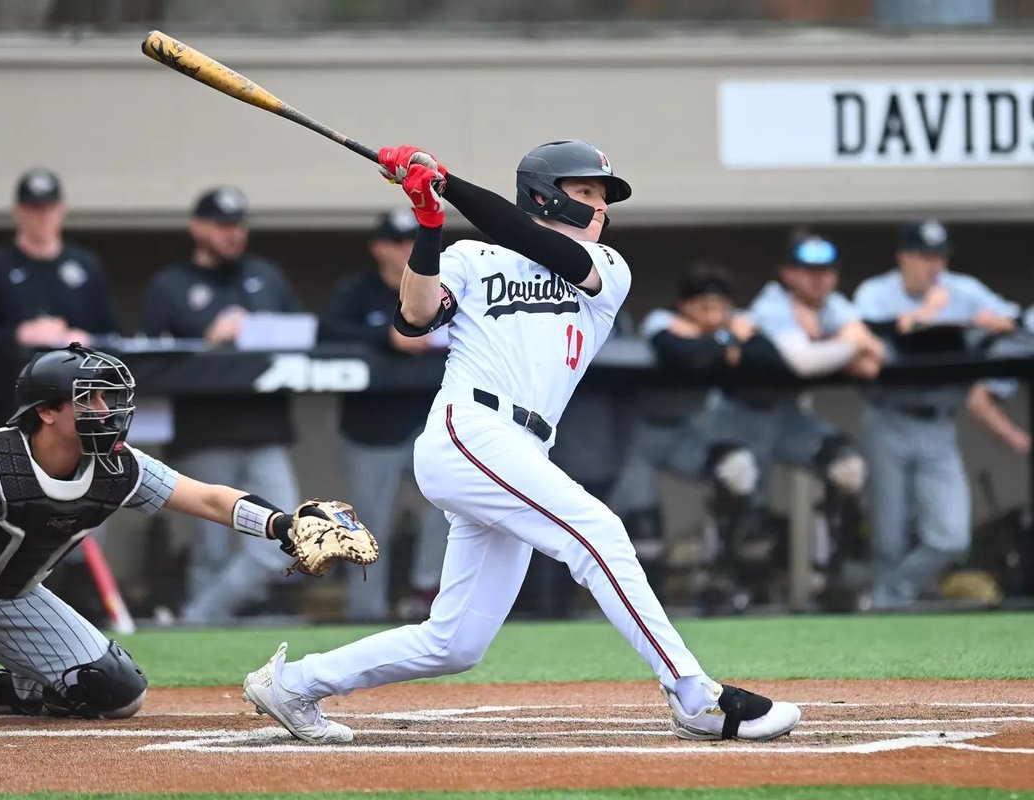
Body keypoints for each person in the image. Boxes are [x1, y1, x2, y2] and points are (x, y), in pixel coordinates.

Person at [240, 140, 800, 744]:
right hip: (470, 429)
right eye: (585, 192)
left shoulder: (607, 267)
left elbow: (534, 242)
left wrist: (447, 183)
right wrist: (429, 222)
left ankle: (293, 684)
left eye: (602, 196)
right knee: (599, 532)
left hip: (523, 448)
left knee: (455, 643)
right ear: (544, 195)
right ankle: (695, 696)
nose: (600, 206)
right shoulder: (471, 256)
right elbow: (414, 317)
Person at [0, 344, 357, 732]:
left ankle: (14, 689)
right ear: (46, 411)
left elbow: (207, 499)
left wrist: (283, 525)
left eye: (108, 397)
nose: (106, 409)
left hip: (7, 596)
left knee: (118, 692)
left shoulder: (117, 466)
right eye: (89, 399)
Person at [139, 186, 303, 623]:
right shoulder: (171, 285)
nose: (233, 234)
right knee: (210, 549)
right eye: (222, 225)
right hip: (203, 433)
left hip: (266, 427)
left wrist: (259, 330)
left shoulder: (265, 276)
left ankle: (195, 619)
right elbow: (147, 362)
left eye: (238, 225)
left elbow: (303, 338)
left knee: (282, 538)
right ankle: (204, 641)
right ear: (198, 228)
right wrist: (209, 343)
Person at [707, 231, 884, 609]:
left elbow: (874, 360)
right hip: (740, 414)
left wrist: (842, 345)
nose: (817, 279)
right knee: (738, 479)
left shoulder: (833, 305)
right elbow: (803, 362)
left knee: (847, 468)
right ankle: (726, 582)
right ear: (787, 274)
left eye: (825, 271)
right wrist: (851, 344)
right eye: (806, 271)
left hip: (787, 416)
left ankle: (833, 579)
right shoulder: (772, 304)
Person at [853, 218, 1021, 609]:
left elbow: (1017, 320)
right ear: (903, 257)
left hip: (939, 424)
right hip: (888, 418)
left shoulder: (963, 290)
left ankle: (888, 597)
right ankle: (887, 609)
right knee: (889, 538)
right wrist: (924, 316)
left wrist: (995, 323)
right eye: (924, 256)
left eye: (939, 257)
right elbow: (862, 334)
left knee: (951, 537)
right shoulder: (875, 293)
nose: (934, 265)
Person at [607, 263, 766, 611]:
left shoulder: (731, 325)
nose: (713, 314)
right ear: (684, 305)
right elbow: (685, 355)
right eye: (703, 306)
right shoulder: (661, 321)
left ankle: (721, 578)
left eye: (720, 307)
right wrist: (726, 339)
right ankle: (643, 610)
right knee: (643, 532)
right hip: (640, 437)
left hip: (686, 433)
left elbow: (766, 355)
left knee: (738, 469)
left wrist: (723, 338)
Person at [319, 209, 448, 621]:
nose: (408, 249)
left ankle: (428, 591)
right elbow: (325, 336)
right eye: (398, 242)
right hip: (370, 430)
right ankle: (365, 615)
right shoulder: (356, 292)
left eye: (414, 241)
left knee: (452, 501)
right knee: (369, 527)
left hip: (427, 423)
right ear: (379, 248)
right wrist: (387, 338)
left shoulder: (439, 287)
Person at [0, 168, 119, 348]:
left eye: (49, 209)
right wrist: (19, 335)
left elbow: (112, 336)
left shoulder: (85, 265)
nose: (42, 217)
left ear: (61, 210)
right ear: (17, 211)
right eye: (34, 209)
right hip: (14, 365)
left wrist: (86, 340)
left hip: (74, 364)